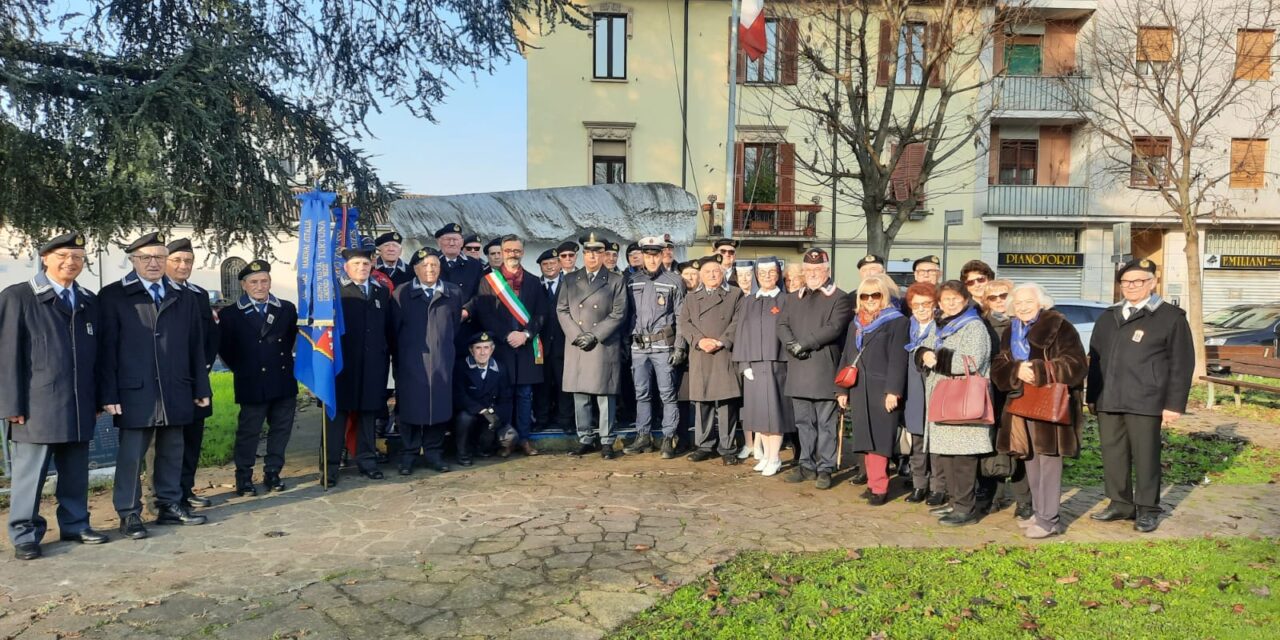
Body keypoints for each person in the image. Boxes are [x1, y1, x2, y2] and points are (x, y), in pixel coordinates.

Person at [98, 232, 211, 538]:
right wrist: (107, 393)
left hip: (176, 386)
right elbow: (106, 349)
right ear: (132, 260)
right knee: (132, 455)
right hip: (135, 389)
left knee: (173, 449)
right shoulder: (113, 296)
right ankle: (130, 513)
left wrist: (201, 387)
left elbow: (194, 346)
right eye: (146, 257)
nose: (153, 263)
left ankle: (170, 504)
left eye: (159, 257)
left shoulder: (184, 297)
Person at [2, 232, 107, 559]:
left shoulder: (89, 301)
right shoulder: (19, 297)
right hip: (35, 406)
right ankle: (25, 534)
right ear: (45, 258)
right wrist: (10, 405)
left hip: (79, 403)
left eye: (77, 257)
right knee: (29, 476)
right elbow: (6, 357)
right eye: (63, 255)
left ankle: (76, 524)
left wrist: (99, 399)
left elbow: (99, 356)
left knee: (75, 472)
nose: (71, 262)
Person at [1087, 258, 1194, 533]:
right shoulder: (1109, 316)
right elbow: (1095, 359)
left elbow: (1182, 364)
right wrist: (1092, 396)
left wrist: (1174, 404)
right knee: (1113, 454)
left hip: (1146, 400)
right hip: (1109, 398)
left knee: (1146, 456)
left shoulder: (1170, 317)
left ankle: (1147, 509)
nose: (1131, 286)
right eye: (1126, 282)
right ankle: (1120, 503)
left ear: (1152, 283)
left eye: (1138, 281)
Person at [992, 283, 1087, 538]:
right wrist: (1015, 370)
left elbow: (1076, 365)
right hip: (1021, 402)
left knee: (1049, 461)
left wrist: (1038, 370)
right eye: (1018, 303)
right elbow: (999, 366)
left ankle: (1050, 519)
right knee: (1031, 458)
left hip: (1051, 404)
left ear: (1041, 303)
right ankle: (1039, 511)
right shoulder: (1011, 330)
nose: (1022, 307)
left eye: (1028, 302)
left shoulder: (1058, 326)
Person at [913, 280, 993, 526]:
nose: (951, 302)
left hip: (963, 401)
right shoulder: (941, 324)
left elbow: (970, 361)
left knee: (964, 461)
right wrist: (922, 353)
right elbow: (925, 346)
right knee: (947, 457)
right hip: (943, 399)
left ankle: (966, 509)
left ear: (966, 300)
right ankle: (955, 502)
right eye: (946, 298)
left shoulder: (974, 326)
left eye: (956, 298)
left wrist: (935, 358)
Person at [216, 260, 298, 495]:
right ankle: (244, 476)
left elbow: (290, 339)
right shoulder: (231, 314)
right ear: (244, 285)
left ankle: (273, 472)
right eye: (254, 282)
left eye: (264, 281)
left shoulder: (286, 308)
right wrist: (245, 369)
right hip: (251, 381)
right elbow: (226, 349)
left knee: (281, 430)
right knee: (249, 432)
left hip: (282, 379)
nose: (260, 286)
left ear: (270, 282)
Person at [779, 248, 853, 490]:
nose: (812, 274)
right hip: (798, 368)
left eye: (817, 270)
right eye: (808, 270)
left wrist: (805, 344)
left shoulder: (839, 297)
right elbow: (781, 323)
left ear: (827, 271)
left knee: (826, 424)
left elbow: (834, 327)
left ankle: (826, 468)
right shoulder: (792, 298)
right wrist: (791, 344)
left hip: (824, 369)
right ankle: (806, 465)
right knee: (803, 423)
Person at [836, 275, 909, 505]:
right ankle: (872, 483)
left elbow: (899, 360)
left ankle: (880, 487)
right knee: (865, 438)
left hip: (882, 389)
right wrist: (842, 390)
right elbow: (847, 356)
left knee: (880, 438)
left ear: (884, 296)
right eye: (865, 295)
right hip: (859, 388)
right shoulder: (856, 323)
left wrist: (893, 391)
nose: (870, 300)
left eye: (875, 295)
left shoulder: (897, 321)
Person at [474, 235, 549, 457]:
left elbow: (541, 314)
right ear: (502, 252)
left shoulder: (534, 281)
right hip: (502, 346)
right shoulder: (488, 281)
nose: (513, 254)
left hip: (526, 346)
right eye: (508, 250)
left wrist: (525, 334)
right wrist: (507, 334)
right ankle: (505, 440)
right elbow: (485, 314)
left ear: (522, 252)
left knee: (525, 395)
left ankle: (524, 439)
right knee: (503, 395)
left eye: (517, 250)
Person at [392, 248, 464, 475]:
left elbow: (455, 325)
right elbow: (393, 329)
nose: (430, 269)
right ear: (415, 269)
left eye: (434, 265)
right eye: (424, 265)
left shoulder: (452, 292)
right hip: (411, 360)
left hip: (442, 360)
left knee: (438, 407)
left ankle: (434, 452)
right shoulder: (401, 293)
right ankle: (409, 454)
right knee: (410, 408)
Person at [558, 232, 629, 459]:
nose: (592, 257)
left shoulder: (616, 280)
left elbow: (619, 313)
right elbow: (562, 309)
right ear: (583, 255)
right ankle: (585, 438)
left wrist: (594, 335)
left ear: (603, 254)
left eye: (597, 252)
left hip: (602, 343)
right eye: (588, 252)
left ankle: (607, 440)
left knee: (605, 394)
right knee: (580, 394)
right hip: (578, 343)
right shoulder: (570, 280)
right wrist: (575, 334)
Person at [328, 247, 394, 486]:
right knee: (337, 416)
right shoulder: (336, 292)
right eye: (356, 264)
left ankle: (367, 462)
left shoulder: (381, 292)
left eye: (365, 264)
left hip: (372, 364)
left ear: (371, 266)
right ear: (346, 267)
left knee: (368, 414)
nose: (361, 268)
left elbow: (388, 328)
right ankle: (330, 466)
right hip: (342, 364)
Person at [162, 238, 219, 510]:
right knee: (165, 445)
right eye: (177, 261)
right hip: (166, 381)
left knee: (192, 440)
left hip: (195, 380)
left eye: (188, 261)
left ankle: (185, 490)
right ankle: (163, 497)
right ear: (164, 262)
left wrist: (203, 369)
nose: (183, 266)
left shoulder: (198, 295)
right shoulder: (157, 292)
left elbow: (208, 337)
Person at [624, 238, 687, 457]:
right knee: (641, 394)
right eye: (648, 255)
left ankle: (669, 438)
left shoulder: (674, 281)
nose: (652, 259)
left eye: (655, 255)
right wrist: (626, 342)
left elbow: (681, 316)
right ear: (642, 256)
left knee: (667, 394)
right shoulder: (632, 280)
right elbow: (628, 315)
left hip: (663, 346)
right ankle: (643, 436)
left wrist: (679, 347)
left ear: (662, 255)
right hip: (639, 347)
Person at [731, 257, 792, 476]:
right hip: (753, 366)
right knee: (758, 414)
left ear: (778, 275)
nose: (767, 277)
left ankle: (775, 457)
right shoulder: (749, 301)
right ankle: (765, 455)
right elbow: (741, 332)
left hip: (777, 364)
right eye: (763, 273)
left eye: (772, 272)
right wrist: (743, 363)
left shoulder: (786, 300)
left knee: (774, 413)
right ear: (757, 275)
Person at [978, 278, 1032, 519]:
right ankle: (994, 497)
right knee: (993, 446)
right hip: (992, 392)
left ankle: (1024, 501)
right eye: (993, 297)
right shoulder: (981, 324)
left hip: (1020, 393)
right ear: (986, 301)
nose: (999, 301)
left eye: (1004, 296)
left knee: (1020, 445)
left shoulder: (1025, 324)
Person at [679, 257, 743, 464]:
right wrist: (700, 341)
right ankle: (704, 445)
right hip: (701, 354)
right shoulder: (690, 298)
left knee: (726, 404)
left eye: (716, 271)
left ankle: (727, 448)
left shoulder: (735, 294)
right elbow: (684, 323)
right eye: (707, 272)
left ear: (722, 273)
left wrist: (722, 341)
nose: (712, 275)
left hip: (724, 353)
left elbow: (738, 322)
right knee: (702, 403)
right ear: (700, 276)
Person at [901, 282, 946, 506]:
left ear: (935, 305)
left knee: (936, 440)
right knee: (917, 439)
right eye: (916, 305)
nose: (920, 309)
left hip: (935, 388)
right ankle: (919, 484)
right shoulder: (905, 327)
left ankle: (938, 488)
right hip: (913, 389)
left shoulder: (942, 327)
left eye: (926, 304)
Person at [452, 332, 513, 464]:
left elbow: (506, 398)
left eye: (486, 348)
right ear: (471, 350)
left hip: (490, 413)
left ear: (492, 349)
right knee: (464, 418)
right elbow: (459, 395)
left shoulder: (500, 368)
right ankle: (463, 454)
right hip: (471, 412)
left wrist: (495, 413)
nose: (482, 352)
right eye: (478, 348)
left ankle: (484, 448)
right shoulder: (461, 366)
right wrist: (481, 410)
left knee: (511, 436)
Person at [533, 249, 573, 432]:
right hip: (540, 345)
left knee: (565, 385)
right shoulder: (535, 285)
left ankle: (565, 421)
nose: (549, 267)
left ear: (559, 264)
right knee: (542, 385)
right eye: (545, 264)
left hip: (564, 344)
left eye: (552, 263)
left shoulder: (570, 284)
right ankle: (542, 420)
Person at [435, 222, 484, 301]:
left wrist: (467, 309)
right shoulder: (430, 264)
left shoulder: (474, 265)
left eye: (455, 240)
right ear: (440, 242)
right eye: (447, 239)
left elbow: (480, 293)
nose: (452, 243)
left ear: (462, 243)